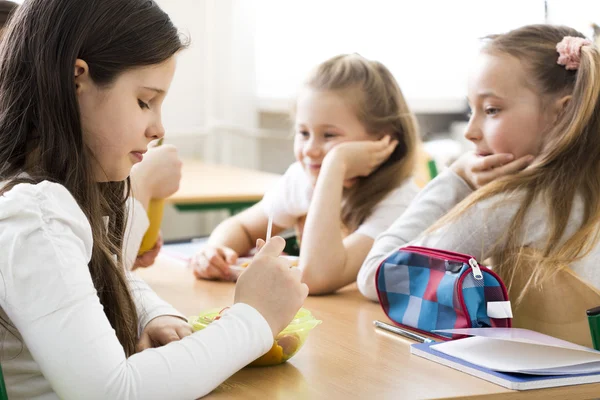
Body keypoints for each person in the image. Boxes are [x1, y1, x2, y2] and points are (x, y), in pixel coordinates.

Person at [0, 0, 307, 398]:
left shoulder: (40, 199)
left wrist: (148, 312)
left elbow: (101, 274)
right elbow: (113, 392)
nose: (158, 128)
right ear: (75, 80)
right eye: (145, 101)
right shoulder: (34, 215)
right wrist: (254, 318)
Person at [358, 24, 600, 303]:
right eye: (471, 110)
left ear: (564, 112)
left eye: (491, 110)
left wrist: (458, 177)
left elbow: (377, 276)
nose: (469, 131)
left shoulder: (509, 205)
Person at [191, 54, 421, 294]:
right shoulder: (302, 179)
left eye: (329, 135)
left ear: (382, 138)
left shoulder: (400, 205)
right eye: (303, 133)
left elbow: (317, 277)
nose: (310, 149)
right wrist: (216, 250)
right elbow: (244, 228)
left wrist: (335, 165)